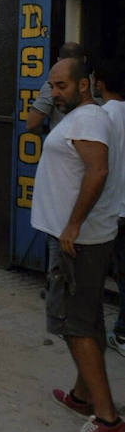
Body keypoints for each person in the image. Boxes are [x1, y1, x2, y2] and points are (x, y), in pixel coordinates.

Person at [31, 57, 125, 432]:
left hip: (78, 242)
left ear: (84, 85)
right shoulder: (86, 116)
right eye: (51, 86)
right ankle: (82, 394)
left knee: (77, 326)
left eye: (61, 86)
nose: (54, 93)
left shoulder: (88, 119)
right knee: (86, 320)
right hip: (77, 236)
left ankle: (107, 419)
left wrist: (72, 224)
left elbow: (97, 172)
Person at [91, 60, 125, 357]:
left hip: (112, 207)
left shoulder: (102, 117)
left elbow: (96, 169)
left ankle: (118, 333)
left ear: (100, 84)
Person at [26, 42, 86, 134]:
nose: (54, 92)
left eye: (62, 87)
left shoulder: (52, 85)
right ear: (84, 60)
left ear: (58, 60)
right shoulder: (96, 83)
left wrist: (54, 132)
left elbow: (32, 124)